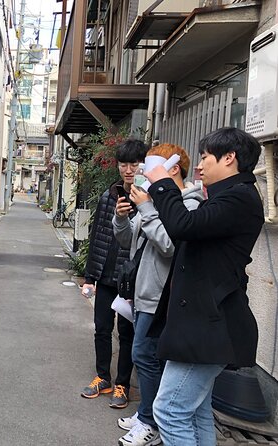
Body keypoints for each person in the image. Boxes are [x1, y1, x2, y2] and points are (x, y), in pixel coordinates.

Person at [144, 127, 264, 445]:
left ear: (229, 158)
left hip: (209, 325)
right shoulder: (230, 195)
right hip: (204, 325)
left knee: (169, 410)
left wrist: (164, 185)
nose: (199, 165)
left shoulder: (240, 197)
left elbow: (184, 225)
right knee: (194, 411)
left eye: (205, 157)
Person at [113, 144, 204, 446]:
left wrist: (149, 210)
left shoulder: (188, 205)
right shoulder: (152, 200)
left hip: (161, 297)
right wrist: (122, 218)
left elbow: (171, 246)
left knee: (145, 355)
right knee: (145, 356)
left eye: (150, 167)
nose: (141, 174)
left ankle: (150, 423)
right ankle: (145, 414)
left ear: (173, 169)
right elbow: (129, 241)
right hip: (142, 293)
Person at [81, 139, 148, 409]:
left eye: (134, 164)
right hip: (105, 275)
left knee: (127, 331)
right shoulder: (110, 195)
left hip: (130, 280)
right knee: (102, 329)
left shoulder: (148, 198)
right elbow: (97, 236)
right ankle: (103, 377)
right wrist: (89, 276)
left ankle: (122, 383)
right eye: (123, 164)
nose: (128, 170)